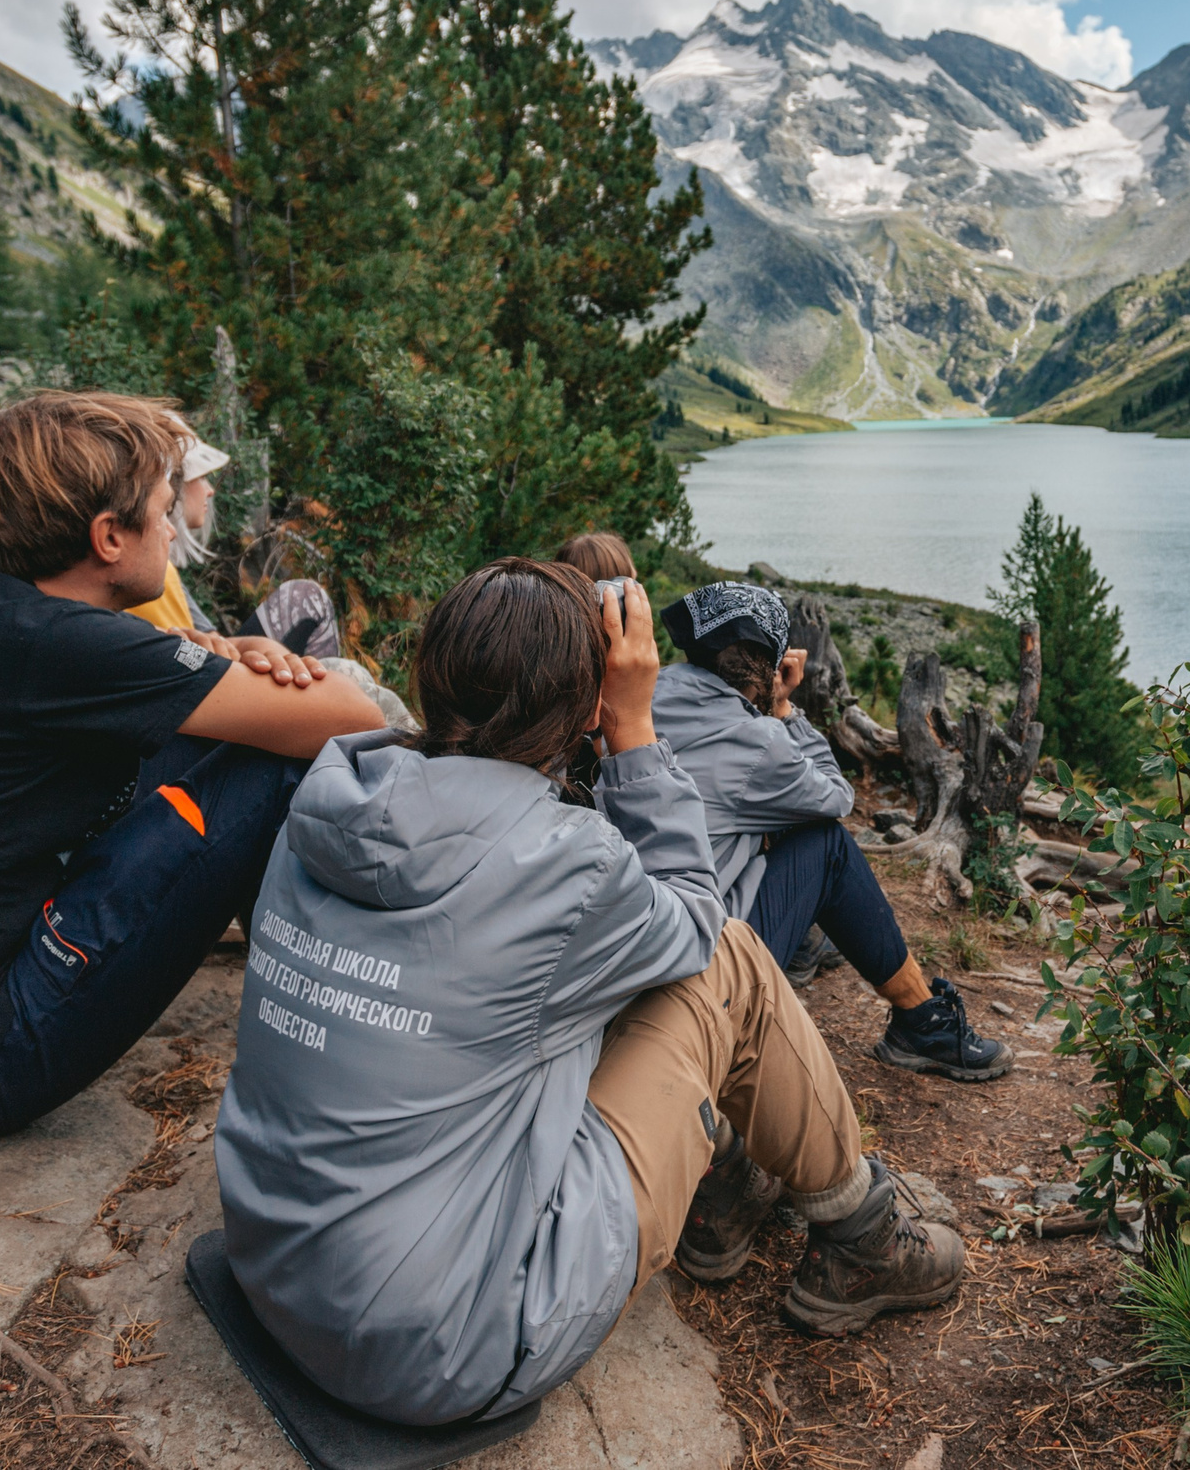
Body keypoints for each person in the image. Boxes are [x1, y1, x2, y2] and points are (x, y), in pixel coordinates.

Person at [216, 560, 963, 1428]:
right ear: (585, 706)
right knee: (728, 956)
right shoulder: (560, 861)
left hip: (272, 1265)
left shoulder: (327, 797)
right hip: (445, 1343)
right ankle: (864, 1233)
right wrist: (635, 731)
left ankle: (726, 1193)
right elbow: (693, 927)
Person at [0, 391, 387, 1139]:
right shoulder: (57, 645)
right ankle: (343, 1039)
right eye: (163, 511)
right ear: (108, 537)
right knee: (268, 767)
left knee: (214, 737)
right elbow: (357, 719)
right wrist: (265, 676)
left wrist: (220, 661)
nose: (171, 529)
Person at [652, 582, 1010, 1084]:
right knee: (826, 844)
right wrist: (783, 709)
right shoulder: (757, 744)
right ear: (768, 667)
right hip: (703, 974)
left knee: (762, 827)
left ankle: (803, 948)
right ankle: (921, 1020)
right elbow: (836, 796)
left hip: (650, 939)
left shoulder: (652, 692)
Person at [126, 422, 339, 661]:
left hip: (202, 669)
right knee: (307, 599)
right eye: (201, 477)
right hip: (201, 677)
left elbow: (207, 644)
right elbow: (188, 657)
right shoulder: (147, 570)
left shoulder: (161, 572)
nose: (210, 490)